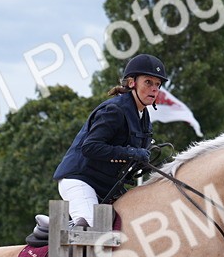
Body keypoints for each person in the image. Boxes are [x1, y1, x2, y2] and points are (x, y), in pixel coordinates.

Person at [51, 53, 169, 229]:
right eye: (148, 82)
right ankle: (59, 233)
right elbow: (90, 147)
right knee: (92, 228)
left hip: (107, 186)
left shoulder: (143, 117)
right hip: (81, 180)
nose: (154, 89)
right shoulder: (115, 110)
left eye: (157, 84)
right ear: (132, 82)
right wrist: (131, 153)